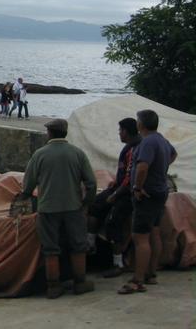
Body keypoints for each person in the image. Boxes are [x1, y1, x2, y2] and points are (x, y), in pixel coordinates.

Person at [21, 118, 97, 298]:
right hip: (73, 207)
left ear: (49, 133)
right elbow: (92, 183)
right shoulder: (78, 154)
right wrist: (86, 203)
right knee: (78, 246)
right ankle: (80, 283)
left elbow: (28, 184)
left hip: (47, 208)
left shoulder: (39, 154)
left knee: (50, 249)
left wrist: (26, 195)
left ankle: (53, 287)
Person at [118, 109, 177, 295]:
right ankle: (151, 274)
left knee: (140, 237)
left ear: (140, 124)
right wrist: (162, 168)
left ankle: (138, 280)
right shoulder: (161, 139)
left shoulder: (147, 142)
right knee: (154, 232)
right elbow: (173, 155)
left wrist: (137, 187)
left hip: (147, 194)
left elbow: (142, 167)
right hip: (160, 191)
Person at [87, 118, 140, 278]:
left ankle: (118, 263)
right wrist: (115, 183)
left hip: (127, 193)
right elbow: (124, 173)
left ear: (126, 131)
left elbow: (130, 177)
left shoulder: (135, 149)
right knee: (95, 205)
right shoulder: (128, 148)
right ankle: (90, 243)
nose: (119, 133)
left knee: (113, 221)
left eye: (120, 130)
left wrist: (116, 194)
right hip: (119, 187)